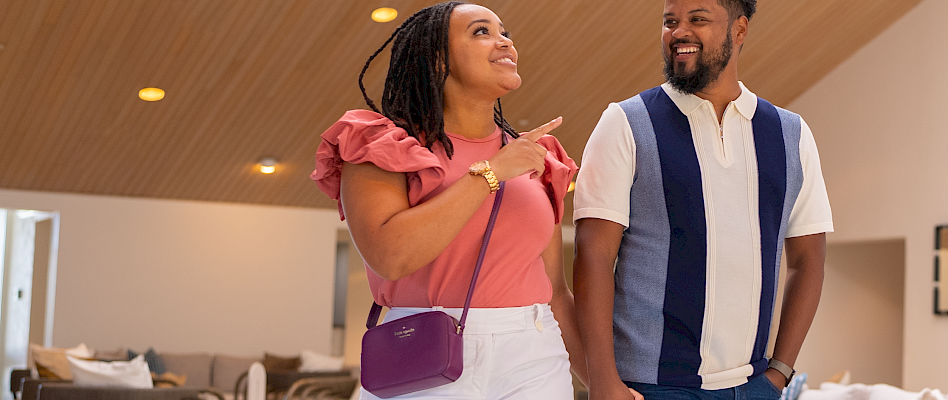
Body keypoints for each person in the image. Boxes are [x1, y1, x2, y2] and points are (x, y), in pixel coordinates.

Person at [310, 2, 582, 398]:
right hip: (422, 351)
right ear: (438, 60)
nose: (504, 41)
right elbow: (390, 256)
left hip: (534, 354)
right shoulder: (383, 145)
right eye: (481, 32)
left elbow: (556, 291)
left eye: (504, 32)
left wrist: (603, 383)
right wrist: (490, 173)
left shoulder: (535, 156)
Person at [570, 0, 833, 399]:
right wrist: (603, 382)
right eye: (670, 21)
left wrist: (778, 373)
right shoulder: (625, 122)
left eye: (698, 19)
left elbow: (808, 259)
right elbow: (593, 256)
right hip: (651, 387)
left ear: (739, 30)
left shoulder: (790, 134)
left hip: (753, 387)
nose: (679, 32)